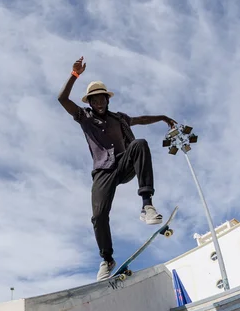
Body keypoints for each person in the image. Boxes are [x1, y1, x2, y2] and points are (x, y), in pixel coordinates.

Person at [58, 57, 176, 281]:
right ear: (90, 102)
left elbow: (141, 119)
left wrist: (161, 117)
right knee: (99, 216)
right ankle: (107, 258)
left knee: (139, 144)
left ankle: (147, 205)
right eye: (95, 100)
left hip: (123, 163)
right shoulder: (84, 117)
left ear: (106, 100)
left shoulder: (119, 118)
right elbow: (62, 98)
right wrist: (74, 75)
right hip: (103, 171)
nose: (99, 103)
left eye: (102, 99)